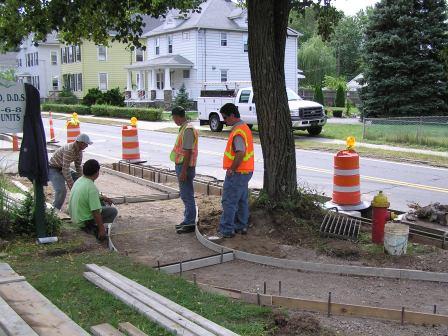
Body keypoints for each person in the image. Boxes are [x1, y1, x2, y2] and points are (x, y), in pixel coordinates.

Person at [217, 103, 254, 239]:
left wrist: (232, 169)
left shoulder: (238, 131)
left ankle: (227, 229)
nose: (224, 121)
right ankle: (241, 225)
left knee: (229, 201)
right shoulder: (244, 127)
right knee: (241, 200)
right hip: (246, 171)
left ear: (232, 115)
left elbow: (240, 152)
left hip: (237, 172)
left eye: (225, 118)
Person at [68, 159, 117, 240]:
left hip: (75, 217)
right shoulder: (91, 188)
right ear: (97, 172)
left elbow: (88, 196)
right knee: (113, 211)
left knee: (102, 203)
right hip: (83, 222)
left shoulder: (80, 180)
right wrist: (101, 230)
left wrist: (102, 198)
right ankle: (94, 229)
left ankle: (95, 226)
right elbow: (95, 211)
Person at [170, 106, 199, 234]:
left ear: (177, 117)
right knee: (186, 194)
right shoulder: (186, 128)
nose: (173, 120)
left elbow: (187, 152)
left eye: (173, 118)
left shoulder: (188, 130)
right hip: (183, 166)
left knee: (187, 195)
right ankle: (187, 220)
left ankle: (190, 223)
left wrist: (183, 171)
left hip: (185, 167)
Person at [48, 133, 92, 210]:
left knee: (80, 181)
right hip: (53, 168)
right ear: (80, 143)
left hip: (62, 167)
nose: (87, 146)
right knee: (61, 191)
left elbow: (78, 167)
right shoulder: (69, 150)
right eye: (86, 144)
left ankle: (81, 206)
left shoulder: (79, 151)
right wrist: (72, 186)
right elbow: (65, 170)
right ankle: (55, 210)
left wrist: (83, 181)